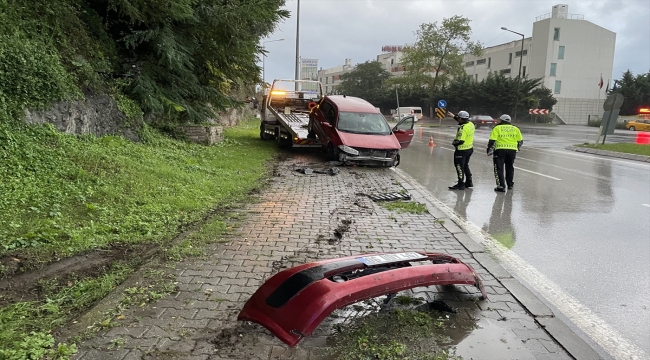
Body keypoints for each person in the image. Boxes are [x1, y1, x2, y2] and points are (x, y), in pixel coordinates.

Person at [487, 114, 523, 192]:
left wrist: (489, 150)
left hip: (500, 150)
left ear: (501, 121)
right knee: (510, 167)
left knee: (498, 168)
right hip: (512, 150)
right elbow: (520, 141)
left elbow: (492, 141)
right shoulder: (515, 128)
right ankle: (510, 184)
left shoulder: (497, 128)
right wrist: (517, 148)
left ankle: (501, 186)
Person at [448, 110, 475, 190]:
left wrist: (454, 143)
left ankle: (460, 184)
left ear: (460, 119)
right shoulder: (471, 124)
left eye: (458, 117)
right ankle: (469, 181)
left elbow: (460, 141)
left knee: (459, 167)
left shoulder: (462, 128)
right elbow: (461, 121)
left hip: (461, 150)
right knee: (465, 165)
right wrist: (453, 116)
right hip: (469, 149)